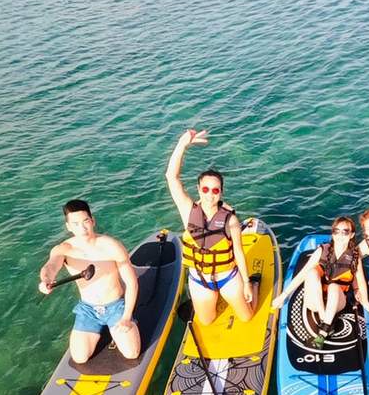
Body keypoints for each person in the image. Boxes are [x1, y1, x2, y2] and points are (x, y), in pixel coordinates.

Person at [165, 129, 257, 326]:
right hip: (200, 279)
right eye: (205, 189)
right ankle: (216, 298)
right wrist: (182, 145)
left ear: (221, 191)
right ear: (198, 189)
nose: (210, 194)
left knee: (247, 317)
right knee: (207, 322)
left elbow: (239, 253)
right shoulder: (188, 211)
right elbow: (172, 177)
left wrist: (248, 283)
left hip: (227, 277)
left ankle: (253, 287)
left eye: (215, 190)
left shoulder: (230, 220)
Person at [37, 199, 140, 364]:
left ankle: (126, 326)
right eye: (76, 224)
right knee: (79, 358)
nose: (82, 228)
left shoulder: (111, 246)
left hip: (115, 306)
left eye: (85, 222)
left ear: (92, 221)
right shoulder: (64, 249)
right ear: (68, 227)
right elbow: (50, 266)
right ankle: (103, 331)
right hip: (88, 310)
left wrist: (126, 317)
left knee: (132, 353)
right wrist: (45, 280)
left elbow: (132, 282)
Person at [272, 217, 369, 342]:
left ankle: (325, 329)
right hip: (315, 302)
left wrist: (365, 303)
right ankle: (324, 318)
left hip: (336, 301)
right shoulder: (322, 250)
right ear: (333, 233)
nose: (340, 235)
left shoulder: (354, 256)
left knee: (334, 286)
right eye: (336, 231)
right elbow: (302, 274)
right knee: (311, 273)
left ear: (351, 235)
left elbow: (361, 281)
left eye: (345, 231)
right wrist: (284, 295)